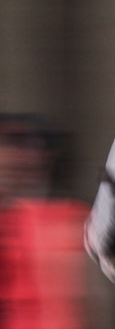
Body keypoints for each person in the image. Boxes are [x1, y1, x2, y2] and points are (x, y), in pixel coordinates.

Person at [0, 114, 88, 329]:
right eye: (8, 144)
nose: (16, 155)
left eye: (27, 146)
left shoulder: (71, 217)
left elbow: (86, 298)